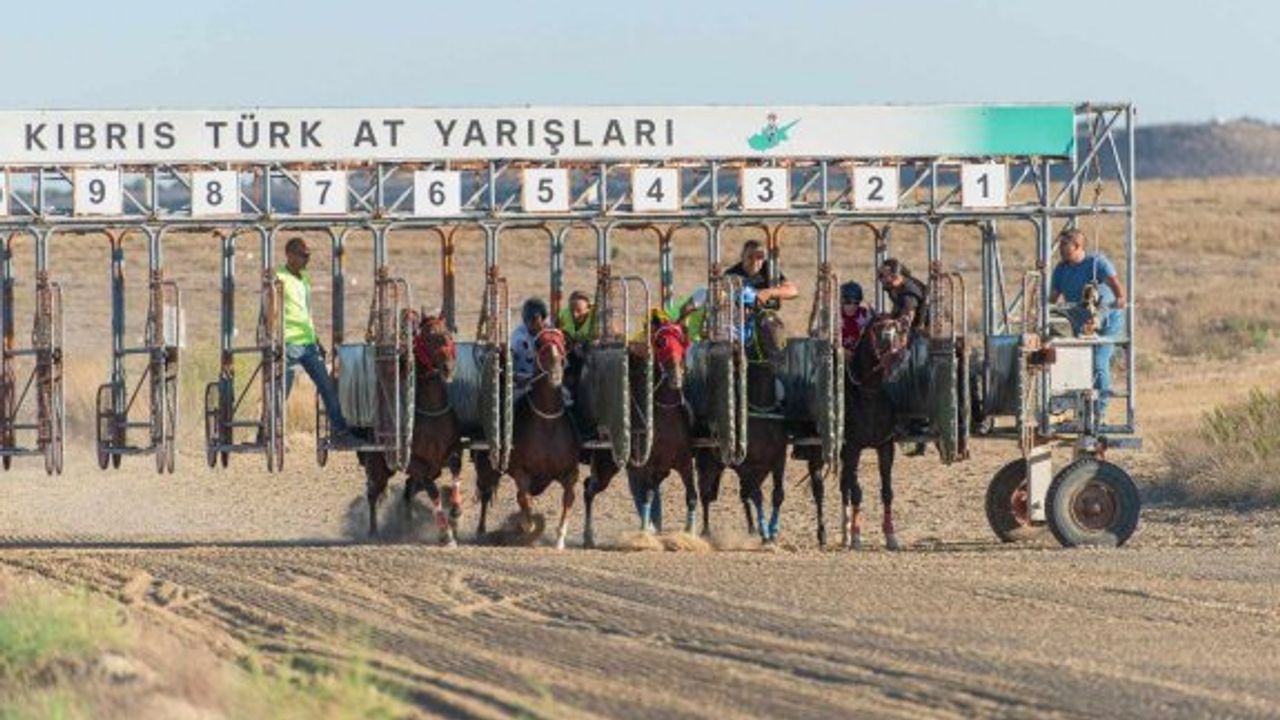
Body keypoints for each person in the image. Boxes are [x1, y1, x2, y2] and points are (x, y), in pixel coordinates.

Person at [277, 237, 355, 446]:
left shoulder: (304, 278)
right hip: (288, 342)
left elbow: (306, 312)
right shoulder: (279, 278)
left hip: (308, 343)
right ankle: (268, 431)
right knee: (281, 390)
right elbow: (271, 311)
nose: (306, 260)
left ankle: (340, 431)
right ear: (289, 255)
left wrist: (316, 339)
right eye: (303, 256)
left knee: (326, 386)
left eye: (308, 256)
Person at [1050, 228, 1127, 421]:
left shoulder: (1096, 263)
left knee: (1098, 363)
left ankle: (1099, 413)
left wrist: (1118, 300)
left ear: (1077, 246)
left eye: (1064, 245)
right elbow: (1053, 299)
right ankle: (1080, 410)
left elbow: (1116, 288)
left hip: (1107, 321)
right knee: (1076, 363)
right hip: (1080, 322)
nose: (1060, 249)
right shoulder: (1061, 270)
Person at [878, 258, 930, 455]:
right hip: (915, 336)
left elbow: (908, 316)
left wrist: (896, 324)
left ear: (896, 275)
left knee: (899, 370)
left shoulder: (908, 290)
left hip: (923, 338)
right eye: (880, 276)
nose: (882, 280)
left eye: (884, 276)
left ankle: (910, 417)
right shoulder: (896, 289)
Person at [725, 240, 799, 310]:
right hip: (740, 313)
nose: (754, 262)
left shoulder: (768, 269)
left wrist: (769, 293)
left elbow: (792, 290)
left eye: (759, 258)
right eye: (750, 257)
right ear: (742, 256)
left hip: (763, 312)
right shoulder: (732, 274)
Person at [878, 258, 928, 334]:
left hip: (919, 331)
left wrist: (892, 322)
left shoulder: (909, 292)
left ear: (894, 276)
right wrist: (890, 316)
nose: (880, 279)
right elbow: (898, 307)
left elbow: (907, 319)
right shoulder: (894, 287)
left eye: (881, 275)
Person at [511, 297, 551, 390]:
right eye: (528, 319)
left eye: (535, 319)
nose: (531, 323)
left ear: (543, 318)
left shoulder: (550, 332)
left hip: (545, 377)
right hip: (523, 379)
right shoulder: (519, 337)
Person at [839, 281, 873, 353]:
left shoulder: (865, 315)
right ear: (841, 302)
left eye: (856, 303)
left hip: (860, 354)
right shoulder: (835, 316)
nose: (852, 306)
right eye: (848, 302)